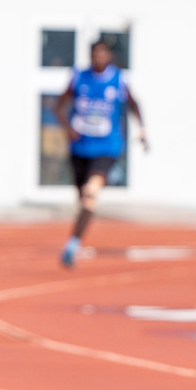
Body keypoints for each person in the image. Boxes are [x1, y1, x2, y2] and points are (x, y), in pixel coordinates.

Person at [54, 37, 147, 268]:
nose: (98, 58)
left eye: (103, 54)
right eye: (95, 54)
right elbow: (58, 106)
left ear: (109, 56)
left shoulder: (117, 80)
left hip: (107, 148)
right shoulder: (79, 78)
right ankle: (78, 235)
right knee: (83, 200)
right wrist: (68, 128)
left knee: (90, 193)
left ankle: (71, 246)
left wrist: (143, 130)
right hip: (80, 148)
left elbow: (134, 104)